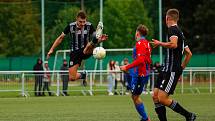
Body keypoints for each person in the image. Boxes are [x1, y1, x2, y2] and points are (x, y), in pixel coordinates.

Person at [152, 8, 195, 121]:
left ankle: (189, 115)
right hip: (166, 69)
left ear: (167, 18)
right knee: (155, 96)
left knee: (162, 98)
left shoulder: (172, 30)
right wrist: (181, 68)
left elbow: (174, 45)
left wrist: (159, 43)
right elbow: (189, 54)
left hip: (171, 70)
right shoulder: (179, 32)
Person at [47, 10, 108, 84]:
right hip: (75, 52)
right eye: (80, 21)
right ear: (76, 19)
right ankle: (84, 75)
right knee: (71, 78)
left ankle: (93, 42)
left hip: (86, 50)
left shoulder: (89, 26)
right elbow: (60, 38)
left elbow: (95, 38)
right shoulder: (70, 26)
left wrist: (100, 40)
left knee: (92, 41)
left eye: (84, 21)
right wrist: (51, 49)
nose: (82, 24)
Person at [120, 24, 151, 121]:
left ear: (137, 33)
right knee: (134, 96)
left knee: (135, 96)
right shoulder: (146, 42)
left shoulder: (140, 43)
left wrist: (127, 66)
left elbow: (141, 60)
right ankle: (144, 118)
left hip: (140, 74)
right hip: (141, 73)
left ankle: (145, 118)